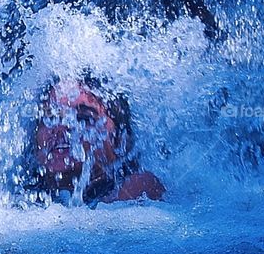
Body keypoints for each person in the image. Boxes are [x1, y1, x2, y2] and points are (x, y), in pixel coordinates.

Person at [31, 78, 164, 204]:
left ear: (118, 139)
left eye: (83, 118)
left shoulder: (136, 188)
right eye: (51, 116)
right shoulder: (21, 192)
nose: (62, 128)